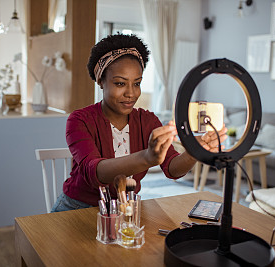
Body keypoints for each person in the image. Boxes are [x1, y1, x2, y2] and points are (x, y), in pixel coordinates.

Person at [51, 33, 227, 212]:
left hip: (125, 209)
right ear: (101, 81)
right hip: (77, 209)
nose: (131, 93)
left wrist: (193, 152)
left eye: (137, 83)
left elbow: (172, 169)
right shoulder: (80, 120)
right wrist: (147, 157)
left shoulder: (147, 120)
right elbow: (96, 173)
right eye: (120, 84)